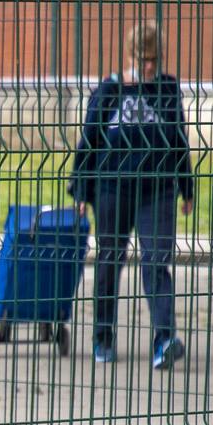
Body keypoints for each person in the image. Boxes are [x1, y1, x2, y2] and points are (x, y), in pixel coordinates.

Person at [68, 21, 194, 369]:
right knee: (110, 260)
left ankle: (165, 339)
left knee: (156, 260)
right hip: (112, 187)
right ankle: (103, 337)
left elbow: (179, 139)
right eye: (142, 58)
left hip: (157, 190)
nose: (148, 66)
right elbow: (89, 141)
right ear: (130, 55)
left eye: (153, 59)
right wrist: (80, 188)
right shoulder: (109, 91)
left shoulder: (167, 91)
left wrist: (187, 186)